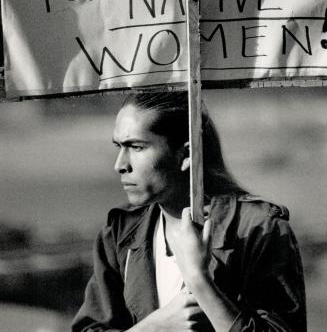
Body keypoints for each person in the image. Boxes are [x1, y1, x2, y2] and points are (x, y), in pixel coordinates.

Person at [72, 92, 306, 332]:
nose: (120, 165)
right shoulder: (120, 233)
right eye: (118, 146)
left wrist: (201, 284)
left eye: (137, 147)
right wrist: (156, 327)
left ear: (185, 155)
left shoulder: (259, 229)